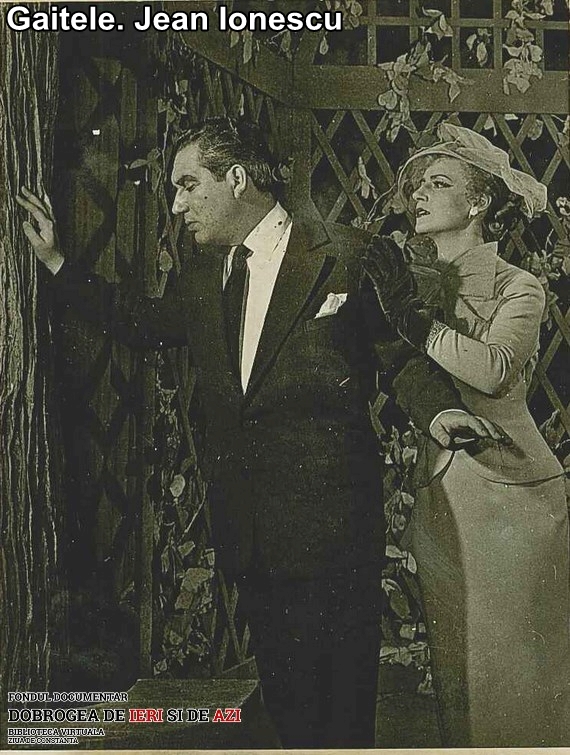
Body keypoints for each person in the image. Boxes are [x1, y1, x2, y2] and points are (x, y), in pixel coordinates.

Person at [17, 117, 505, 749]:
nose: (178, 206)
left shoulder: (346, 254)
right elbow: (136, 320)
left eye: (189, 185)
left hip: (333, 537)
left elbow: (400, 354)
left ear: (237, 179)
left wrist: (439, 414)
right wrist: (56, 262)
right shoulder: (203, 277)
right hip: (251, 538)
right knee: (290, 717)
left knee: (343, 723)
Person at [364, 122, 570, 747]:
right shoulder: (404, 283)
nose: (419, 195)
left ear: (478, 202)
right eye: (417, 186)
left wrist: (417, 326)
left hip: (515, 494)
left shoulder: (518, 286)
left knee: (521, 669)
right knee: (458, 665)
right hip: (443, 491)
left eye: (439, 183)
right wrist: (400, 313)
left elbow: (495, 370)